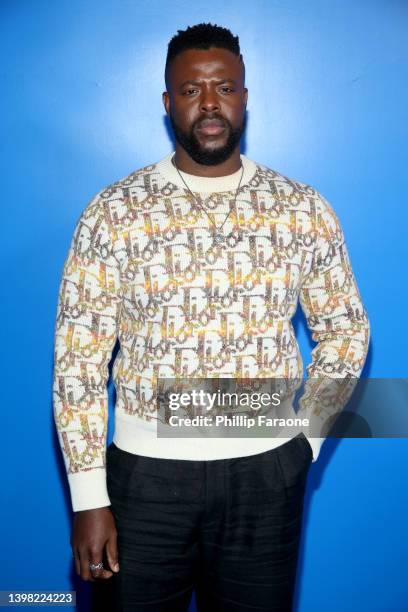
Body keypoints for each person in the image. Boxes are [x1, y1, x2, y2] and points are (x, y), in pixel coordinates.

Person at [53, 22, 370, 612]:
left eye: (224, 88)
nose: (209, 105)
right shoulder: (113, 211)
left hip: (265, 475)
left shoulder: (300, 208)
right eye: (191, 90)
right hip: (143, 483)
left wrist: (307, 440)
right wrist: (88, 495)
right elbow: (79, 361)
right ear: (168, 101)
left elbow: (346, 330)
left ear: (244, 97)